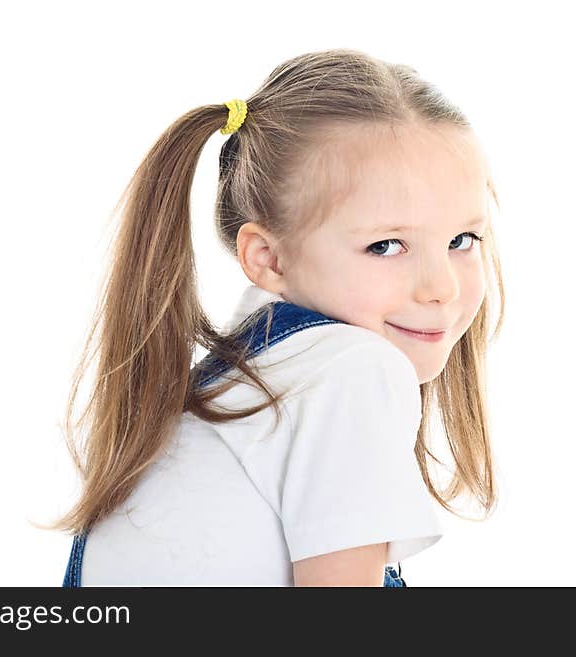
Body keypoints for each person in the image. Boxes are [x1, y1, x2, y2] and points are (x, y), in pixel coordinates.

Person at [45, 48, 505, 587]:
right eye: (385, 246)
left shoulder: (243, 378)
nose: (441, 287)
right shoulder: (353, 370)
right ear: (268, 258)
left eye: (461, 240)